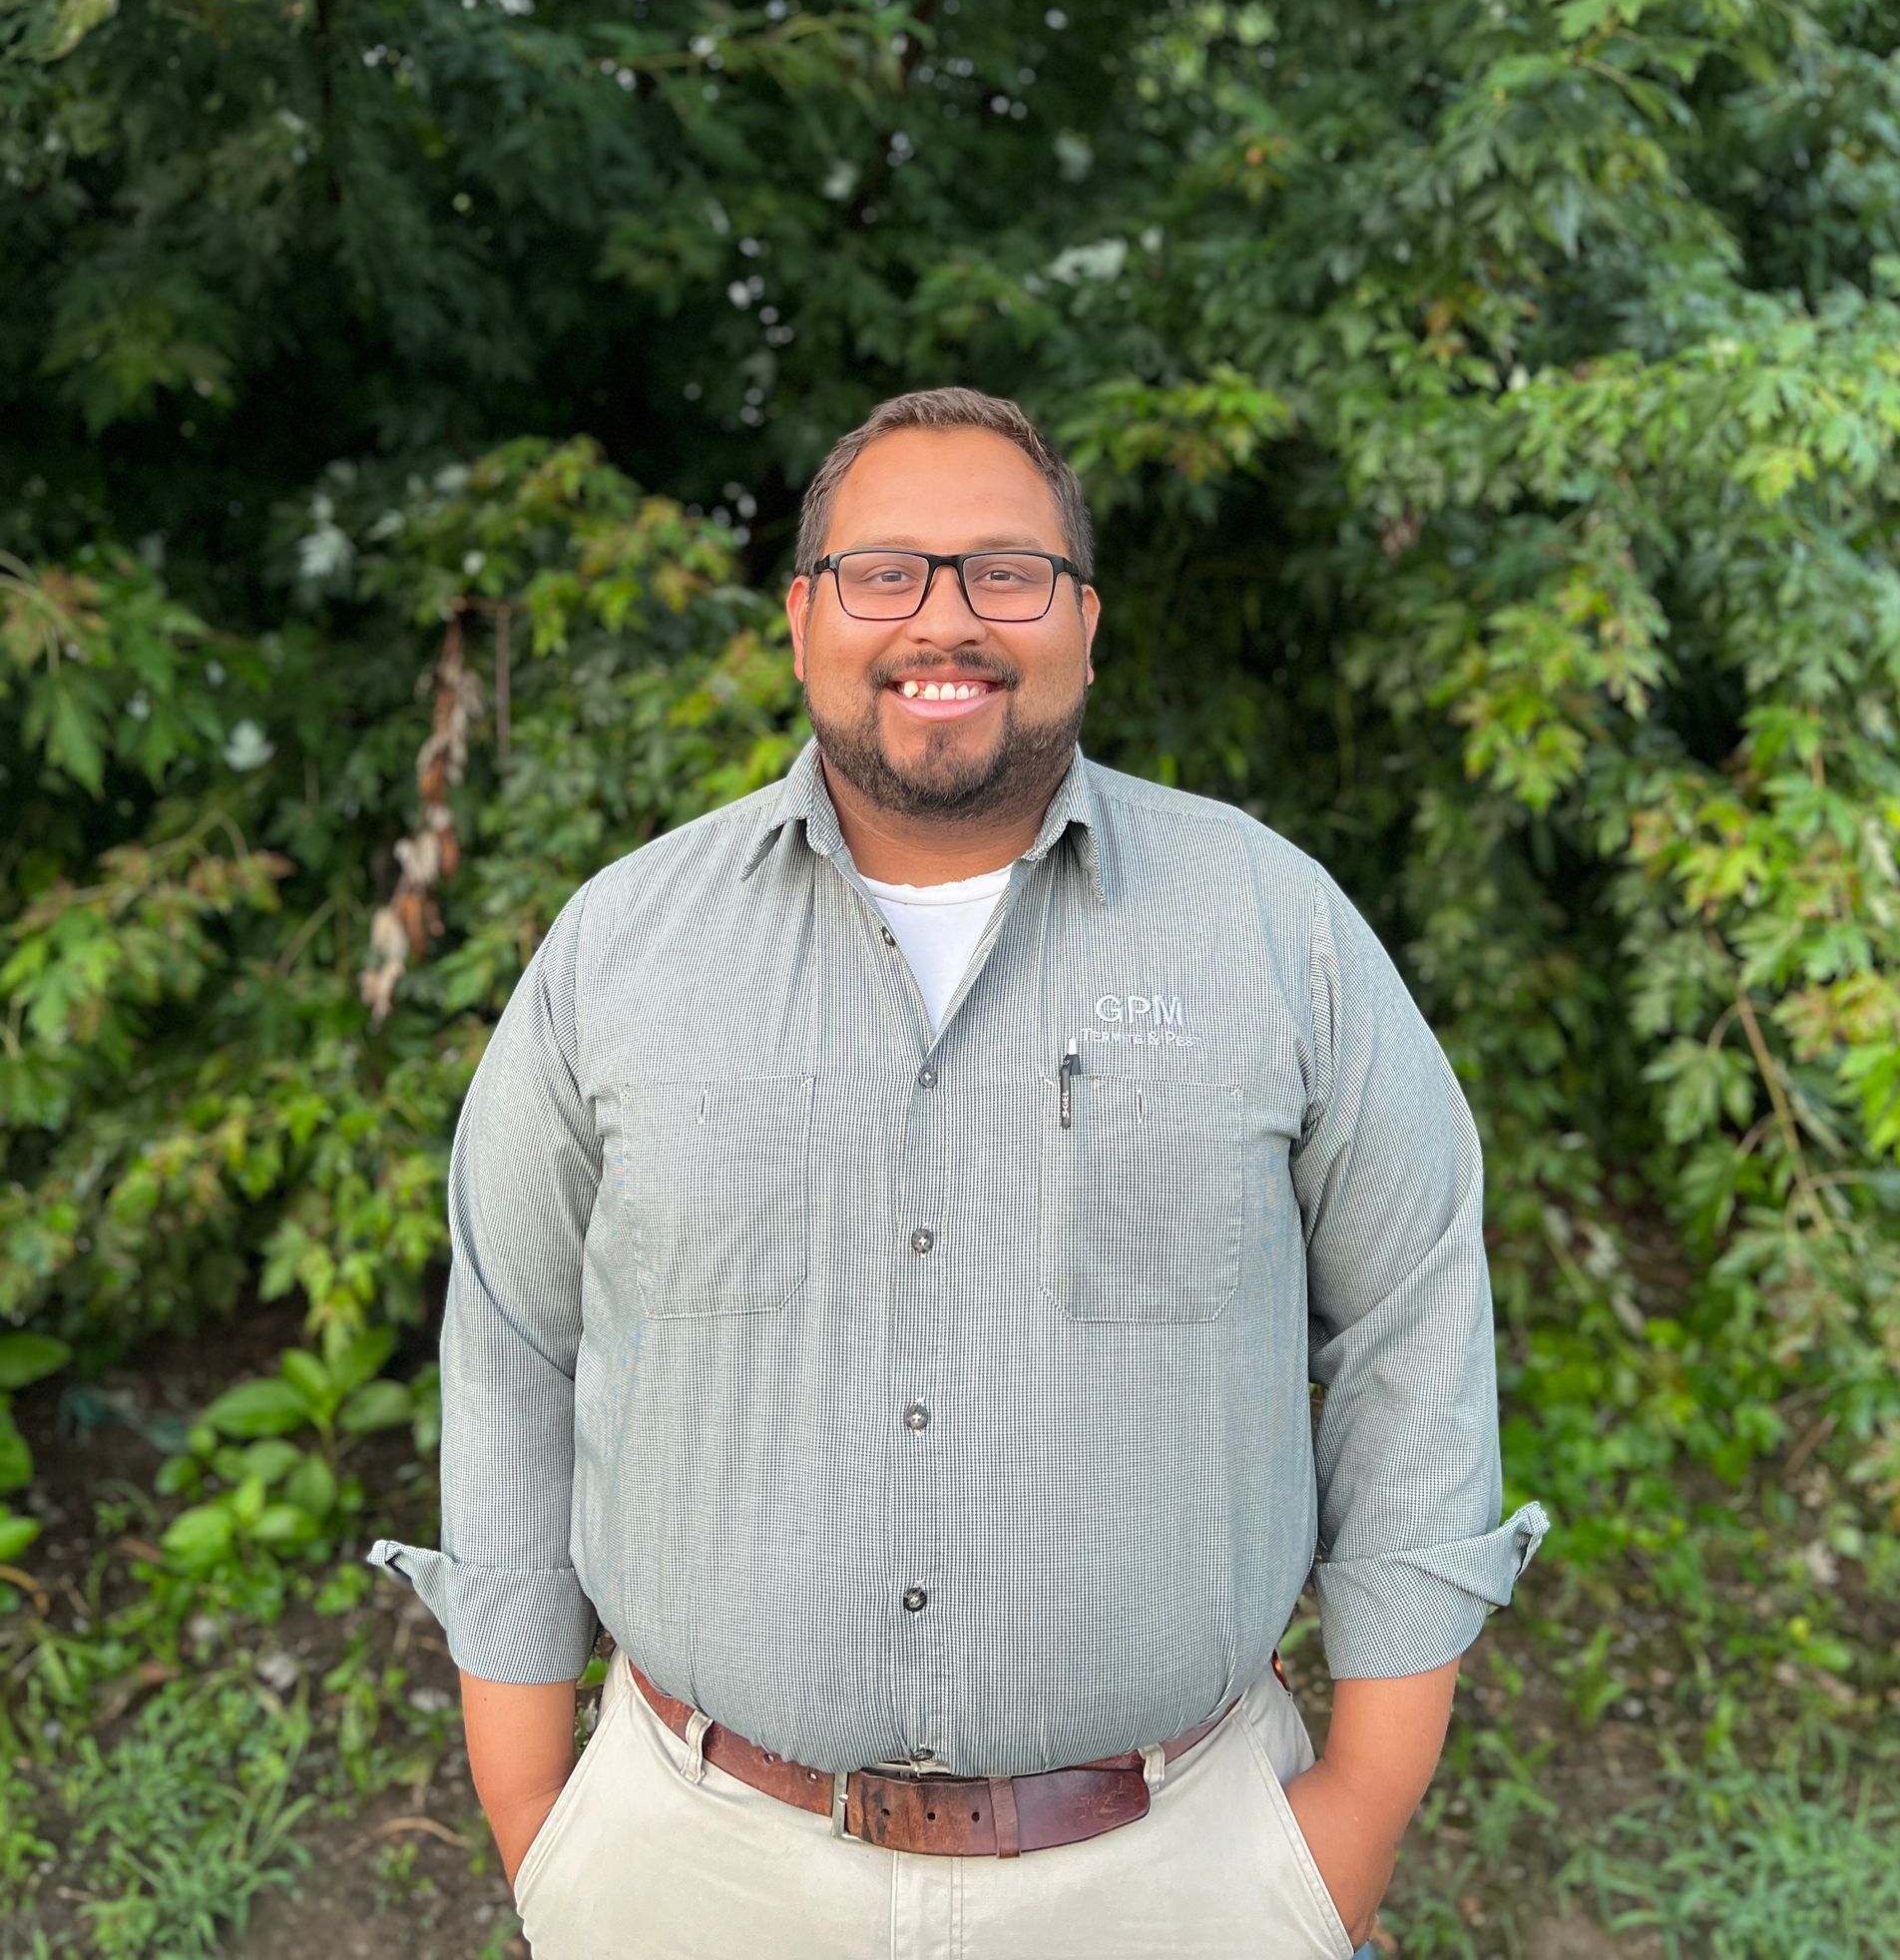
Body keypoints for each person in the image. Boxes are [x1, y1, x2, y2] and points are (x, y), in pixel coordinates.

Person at [368, 385, 1548, 1958]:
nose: (947, 618)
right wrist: (541, 1825)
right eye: (886, 572)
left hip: (1179, 1877)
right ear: (803, 621)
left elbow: (1414, 1326)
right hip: (695, 1872)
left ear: (1082, 620)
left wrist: (1358, 1815)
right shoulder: (623, 947)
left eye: (1008, 571)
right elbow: (512, 1351)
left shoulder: (1278, 929)